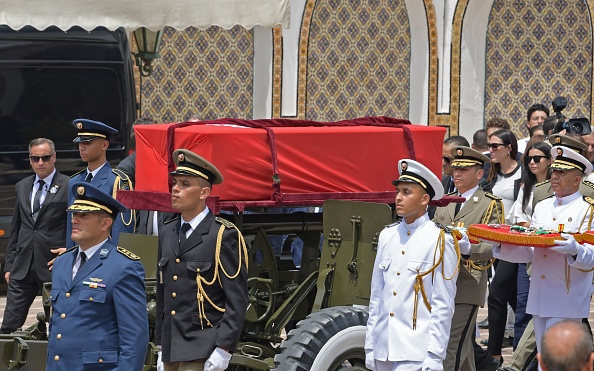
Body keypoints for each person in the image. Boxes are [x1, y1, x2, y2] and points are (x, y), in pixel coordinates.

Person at [492, 142, 594, 353]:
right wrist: (501, 244)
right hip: (539, 293)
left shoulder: (587, 210)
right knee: (545, 359)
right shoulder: (542, 206)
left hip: (567, 295)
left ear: (577, 179)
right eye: (554, 171)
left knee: (560, 360)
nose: (554, 176)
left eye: (562, 173)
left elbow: (591, 258)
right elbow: (531, 249)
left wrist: (575, 249)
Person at [365, 159, 464, 371]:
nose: (399, 197)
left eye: (407, 192)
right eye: (398, 191)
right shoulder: (387, 235)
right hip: (384, 347)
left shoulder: (440, 239)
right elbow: (377, 297)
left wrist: (435, 355)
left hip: (415, 350)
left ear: (424, 199)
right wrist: (370, 346)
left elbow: (443, 304)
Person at [156, 149, 248, 371]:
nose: (176, 189)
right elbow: (163, 293)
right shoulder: (168, 231)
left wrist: (224, 349)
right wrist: (160, 344)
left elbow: (237, 300)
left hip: (203, 345)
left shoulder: (222, 235)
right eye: (175, 182)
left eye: (185, 184)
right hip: (171, 347)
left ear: (204, 192)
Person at [46, 181, 148, 370]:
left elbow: (134, 338)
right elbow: (57, 326)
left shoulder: (123, 267)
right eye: (74, 214)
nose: (74, 220)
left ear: (105, 223)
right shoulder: (62, 263)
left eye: (84, 215)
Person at [433, 146, 505, 371]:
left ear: (479, 174)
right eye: (455, 168)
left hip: (467, 282)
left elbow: (495, 245)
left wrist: (468, 248)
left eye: (464, 169)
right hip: (440, 281)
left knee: (450, 345)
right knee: (462, 349)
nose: (457, 173)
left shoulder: (489, 203)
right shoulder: (445, 201)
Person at [1, 138, 70, 334]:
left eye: (45, 158)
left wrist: (69, 252)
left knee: (59, 327)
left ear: (54, 157)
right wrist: (9, 266)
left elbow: (75, 224)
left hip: (53, 265)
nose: (41, 163)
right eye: (35, 158)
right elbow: (16, 228)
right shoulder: (22, 186)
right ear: (30, 160)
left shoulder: (69, 185)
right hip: (22, 268)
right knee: (8, 327)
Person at [66, 118, 134, 248]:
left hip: (104, 257)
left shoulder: (118, 181)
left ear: (104, 145)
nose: (82, 147)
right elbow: (71, 226)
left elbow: (123, 229)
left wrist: (114, 263)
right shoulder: (75, 182)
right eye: (80, 143)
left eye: (88, 142)